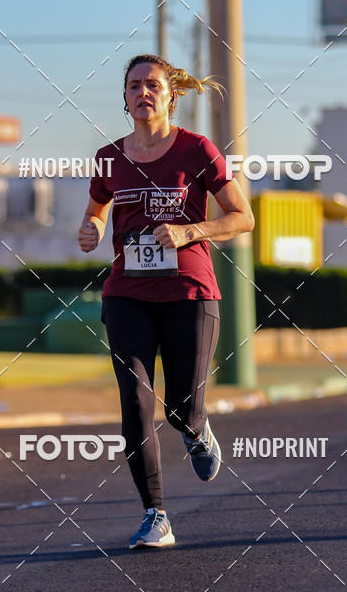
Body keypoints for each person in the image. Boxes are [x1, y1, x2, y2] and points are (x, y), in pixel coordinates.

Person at [77, 54, 254, 549]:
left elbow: (242, 217)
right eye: (134, 85)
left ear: (171, 96)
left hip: (189, 293)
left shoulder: (197, 149)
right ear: (125, 97)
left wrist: (189, 231)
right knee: (135, 402)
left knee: (179, 408)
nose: (143, 93)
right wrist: (91, 229)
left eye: (152, 85)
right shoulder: (108, 157)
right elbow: (95, 212)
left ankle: (196, 429)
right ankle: (155, 515)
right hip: (127, 293)